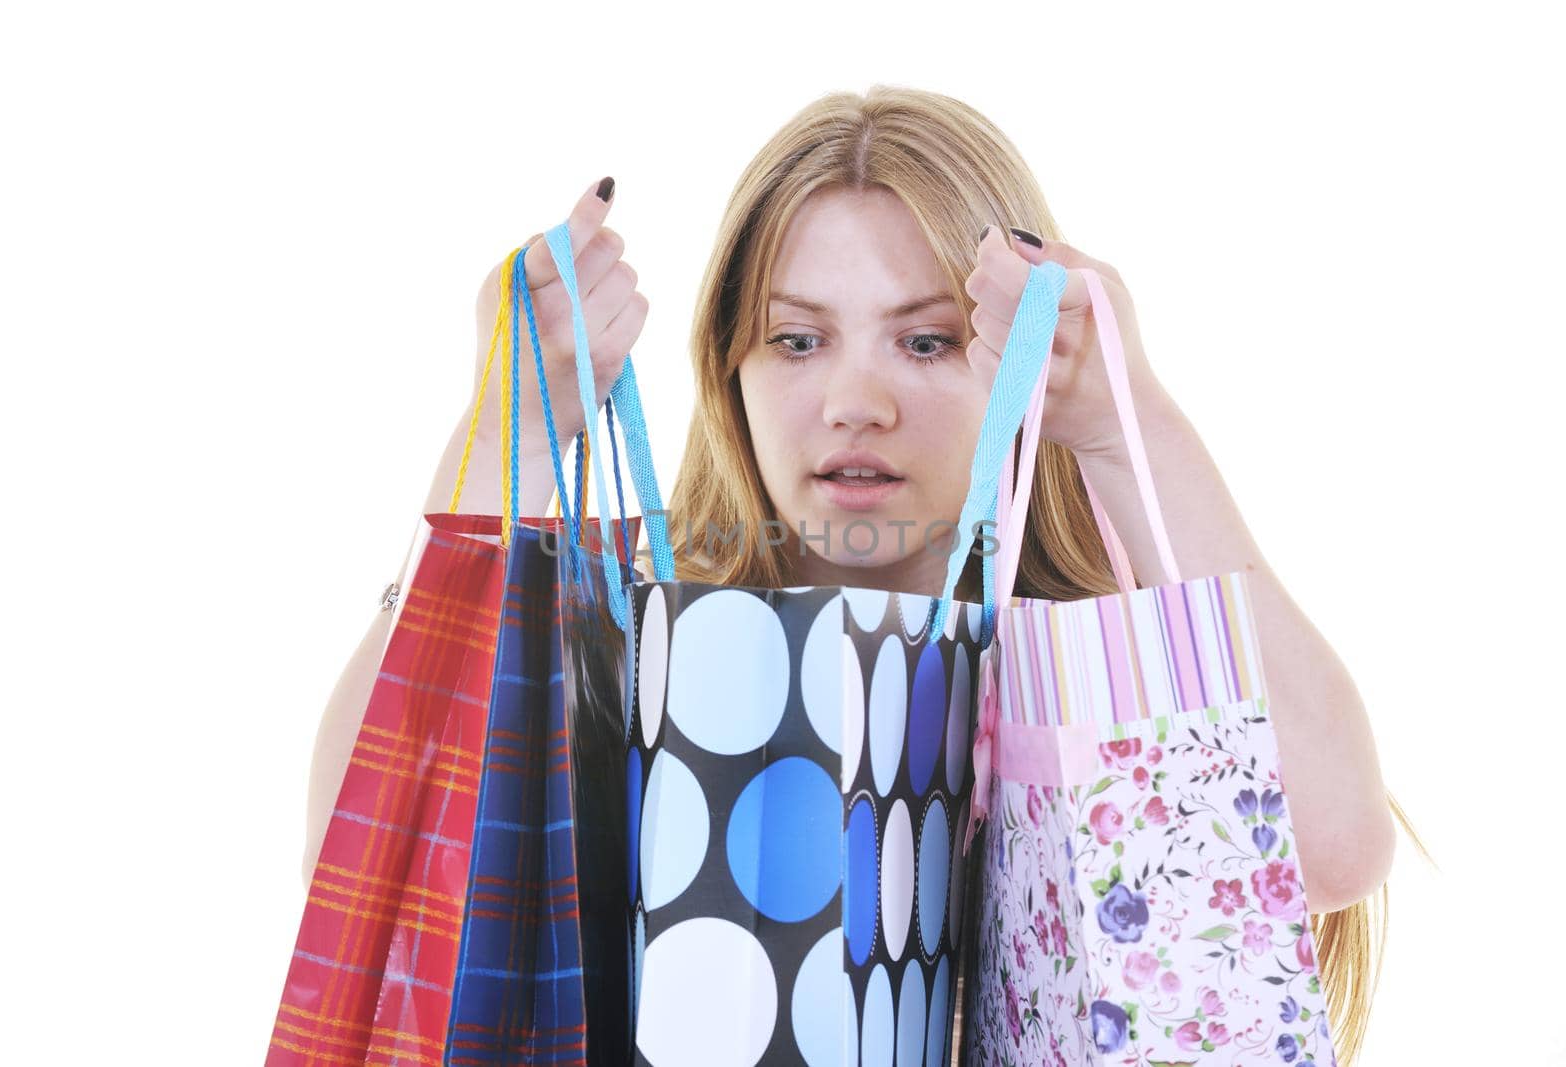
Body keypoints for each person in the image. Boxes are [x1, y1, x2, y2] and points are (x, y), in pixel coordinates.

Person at [302, 86, 1404, 1063]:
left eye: (924, 342)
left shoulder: (1094, 691)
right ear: (728, 366)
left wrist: (1126, 429)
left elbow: (1333, 842)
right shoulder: (632, 646)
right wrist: (508, 444)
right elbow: (367, 866)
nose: (854, 402)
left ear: (1016, 361)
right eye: (795, 339)